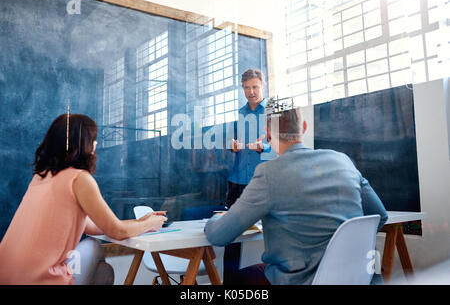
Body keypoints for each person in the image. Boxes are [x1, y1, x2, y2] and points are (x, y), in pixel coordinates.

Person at [205, 99, 388, 285]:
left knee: (235, 280)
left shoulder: (269, 172)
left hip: (301, 281)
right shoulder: (343, 161)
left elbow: (219, 236)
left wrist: (217, 218)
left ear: (268, 135)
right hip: (360, 279)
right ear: (304, 127)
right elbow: (379, 215)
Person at [0, 114, 167, 284]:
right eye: (93, 139)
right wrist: (149, 224)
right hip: (39, 279)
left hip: (6, 274)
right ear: (84, 143)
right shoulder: (79, 179)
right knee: (95, 249)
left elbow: (95, 227)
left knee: (103, 270)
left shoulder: (41, 176)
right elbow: (114, 231)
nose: (95, 144)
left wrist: (141, 221)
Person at [224, 69, 272, 284]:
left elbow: (285, 146)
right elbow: (231, 143)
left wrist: (264, 148)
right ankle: (229, 284)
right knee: (231, 237)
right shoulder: (240, 113)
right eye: (246, 88)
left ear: (263, 86)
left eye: (255, 87)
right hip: (237, 183)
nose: (251, 92)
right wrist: (232, 147)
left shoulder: (273, 112)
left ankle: (275, 279)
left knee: (273, 231)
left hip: (264, 182)